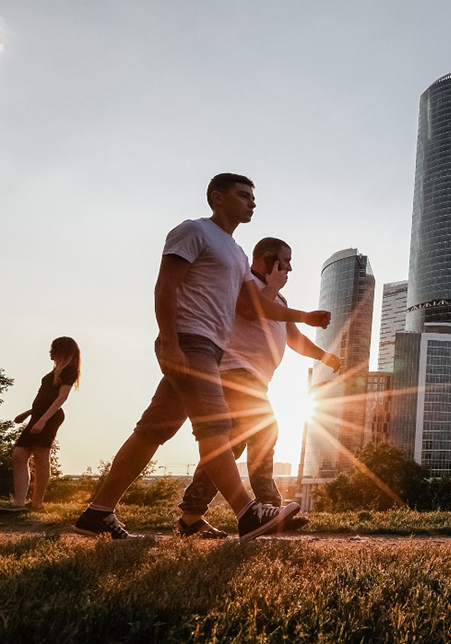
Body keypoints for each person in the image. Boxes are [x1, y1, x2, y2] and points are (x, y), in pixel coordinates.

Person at [73, 173, 330, 540]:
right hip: (190, 342)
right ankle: (248, 513)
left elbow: (252, 305)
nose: (251, 203)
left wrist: (302, 317)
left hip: (209, 347)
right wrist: (170, 339)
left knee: (151, 432)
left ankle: (98, 513)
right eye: (243, 195)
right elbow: (166, 285)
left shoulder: (238, 254)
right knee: (216, 430)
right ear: (217, 197)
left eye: (253, 197)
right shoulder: (193, 231)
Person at [176, 237, 341, 538]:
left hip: (255, 380)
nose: (290, 268)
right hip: (233, 372)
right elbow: (252, 311)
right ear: (268, 260)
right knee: (266, 430)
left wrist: (324, 357)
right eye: (285, 261)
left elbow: (293, 338)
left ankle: (192, 515)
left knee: (233, 445)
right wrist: (273, 288)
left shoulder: (278, 301)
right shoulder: (245, 283)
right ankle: (267, 507)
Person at [2, 337, 81, 513]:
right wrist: (29, 413)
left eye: (53, 348)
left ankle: (37, 504)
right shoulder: (54, 372)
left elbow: (61, 398)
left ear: (62, 350)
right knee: (19, 455)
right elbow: (44, 397)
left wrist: (43, 420)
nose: (50, 351)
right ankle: (20, 503)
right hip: (38, 415)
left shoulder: (69, 370)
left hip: (49, 417)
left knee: (40, 455)